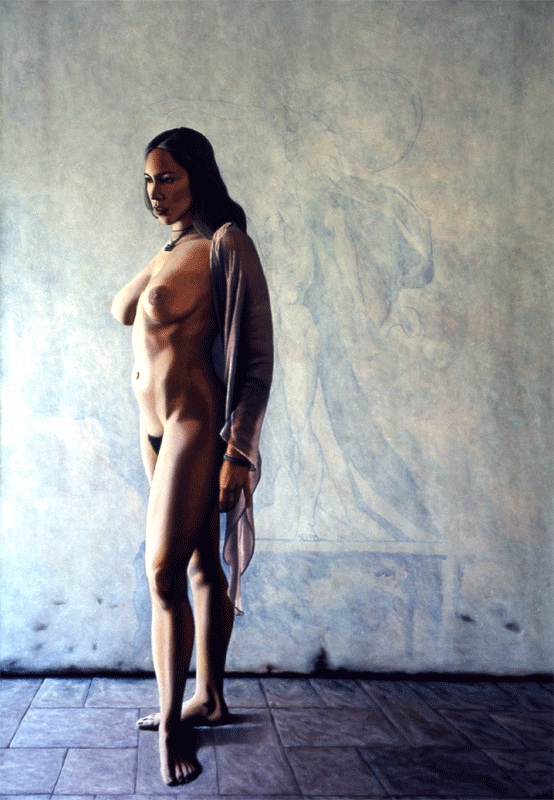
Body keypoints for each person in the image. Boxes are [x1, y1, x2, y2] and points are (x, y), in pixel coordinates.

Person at [111, 128, 273, 786]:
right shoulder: (176, 247)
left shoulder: (227, 246)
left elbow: (257, 361)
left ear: (198, 177)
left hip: (194, 426)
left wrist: (239, 453)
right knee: (201, 563)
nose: (155, 192)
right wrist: (168, 246)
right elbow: (126, 310)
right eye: (149, 180)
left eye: (169, 178)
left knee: (162, 574)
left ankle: (174, 728)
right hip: (152, 429)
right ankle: (209, 697)